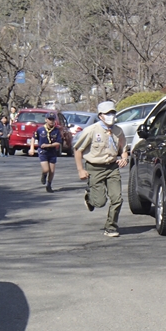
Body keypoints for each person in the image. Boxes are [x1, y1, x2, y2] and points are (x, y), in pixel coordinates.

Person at [73, 101, 128, 237]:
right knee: (100, 202)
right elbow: (78, 150)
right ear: (100, 116)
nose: (111, 116)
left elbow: (124, 148)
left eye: (113, 113)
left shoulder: (118, 131)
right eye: (108, 113)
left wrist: (124, 158)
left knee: (117, 199)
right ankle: (90, 197)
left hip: (112, 167)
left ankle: (111, 227)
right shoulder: (91, 130)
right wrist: (81, 170)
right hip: (95, 167)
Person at [29, 112, 62, 193]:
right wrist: (32, 148)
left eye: (52, 119)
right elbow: (33, 138)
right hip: (43, 151)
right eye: (49, 119)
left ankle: (49, 185)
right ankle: (44, 175)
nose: (51, 121)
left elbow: (58, 142)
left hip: (52, 151)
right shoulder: (40, 129)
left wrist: (49, 145)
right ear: (46, 120)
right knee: (46, 169)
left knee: (52, 171)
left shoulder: (56, 130)